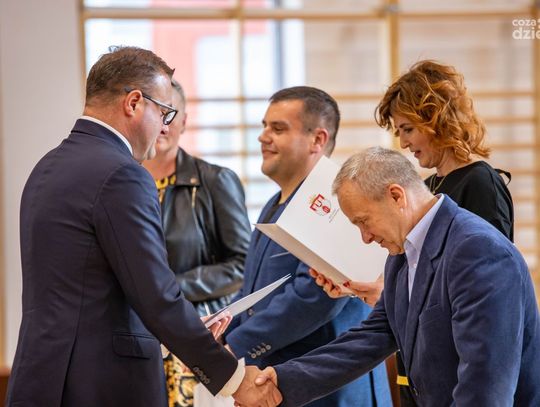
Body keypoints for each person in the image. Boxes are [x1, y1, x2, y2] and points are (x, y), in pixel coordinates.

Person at [6, 46, 281, 407]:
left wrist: (180, 328)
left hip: (43, 375)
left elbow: (89, 290)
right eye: (164, 112)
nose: (165, 126)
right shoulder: (123, 174)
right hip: (100, 383)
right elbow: (155, 295)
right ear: (134, 103)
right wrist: (231, 378)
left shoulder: (48, 166)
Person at [256, 146, 540, 407]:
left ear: (396, 196)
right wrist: (283, 380)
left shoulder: (478, 249)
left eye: (364, 221)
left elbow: (484, 387)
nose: (365, 238)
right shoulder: (401, 254)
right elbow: (374, 335)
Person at [313, 60, 515, 405]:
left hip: (460, 375)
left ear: (436, 118)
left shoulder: (480, 183)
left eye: (408, 129)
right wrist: (367, 288)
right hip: (420, 365)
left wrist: (396, 296)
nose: (404, 143)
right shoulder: (428, 186)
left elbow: (485, 295)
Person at [223, 86, 391, 407]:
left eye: (278, 129)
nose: (263, 137)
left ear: (317, 140)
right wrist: (221, 327)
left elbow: (313, 297)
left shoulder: (336, 203)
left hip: (332, 388)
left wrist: (238, 343)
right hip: (281, 379)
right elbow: (252, 291)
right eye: (264, 126)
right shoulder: (273, 204)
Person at [143, 79, 251, 407]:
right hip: (140, 339)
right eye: (154, 112)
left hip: (198, 335)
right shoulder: (122, 183)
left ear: (185, 121)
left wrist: (169, 290)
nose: (162, 124)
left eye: (170, 114)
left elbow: (242, 265)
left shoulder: (215, 180)